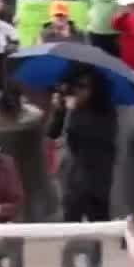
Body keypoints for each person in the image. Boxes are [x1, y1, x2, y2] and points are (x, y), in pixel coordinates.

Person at [46, 66, 118, 222]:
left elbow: (93, 138)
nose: (78, 91)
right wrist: (59, 111)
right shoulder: (72, 106)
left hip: (96, 181)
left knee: (99, 226)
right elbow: (52, 132)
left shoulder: (105, 111)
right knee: (70, 225)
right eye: (75, 86)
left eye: (83, 86)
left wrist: (72, 114)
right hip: (72, 179)